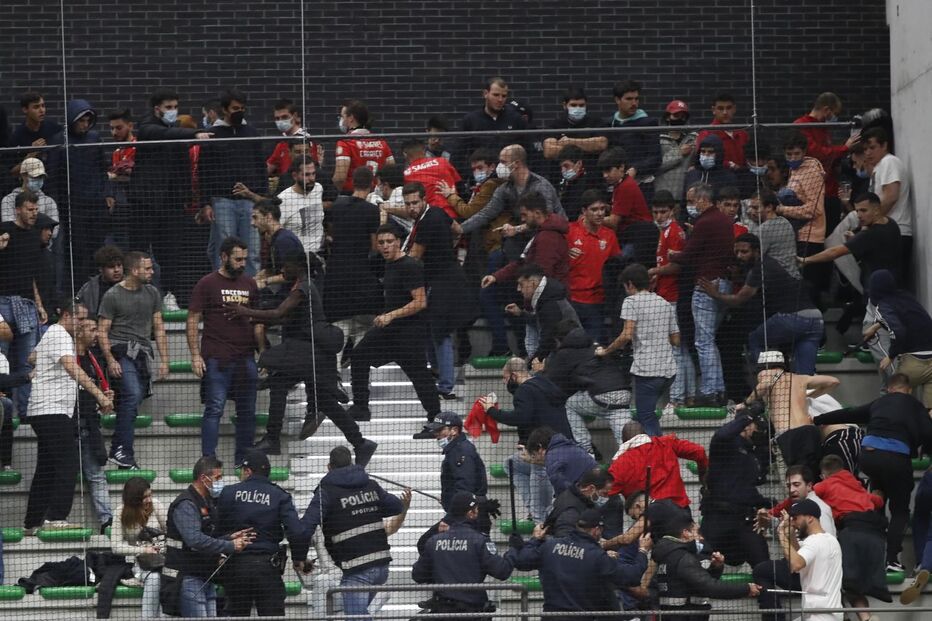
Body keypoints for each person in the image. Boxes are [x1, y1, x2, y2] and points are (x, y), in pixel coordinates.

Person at [226, 253, 377, 465]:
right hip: (311, 355)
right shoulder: (301, 287)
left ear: (299, 266)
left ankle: (272, 436)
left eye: (286, 265)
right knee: (316, 398)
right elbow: (287, 317)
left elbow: (279, 313)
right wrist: (254, 315)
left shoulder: (303, 287)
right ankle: (361, 443)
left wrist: (244, 311)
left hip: (310, 354)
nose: (283, 271)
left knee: (271, 363)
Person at [811, 372, 932, 570]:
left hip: (868, 456)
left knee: (876, 504)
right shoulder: (914, 405)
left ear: (889, 389)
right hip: (895, 459)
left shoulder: (879, 402)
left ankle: (872, 560)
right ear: (908, 390)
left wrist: (817, 419)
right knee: (900, 511)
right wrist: (921, 447)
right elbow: (928, 433)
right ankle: (891, 560)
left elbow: (849, 413)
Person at [24, 300, 113, 533]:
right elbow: (73, 369)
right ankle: (56, 518)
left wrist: (42, 364)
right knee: (68, 463)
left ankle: (32, 523)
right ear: (66, 315)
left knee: (46, 467)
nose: (83, 324)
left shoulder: (53, 334)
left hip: (45, 411)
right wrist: (100, 397)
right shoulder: (61, 335)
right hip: (51, 410)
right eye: (80, 319)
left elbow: (31, 357)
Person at [346, 226, 441, 433]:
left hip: (409, 332)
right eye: (381, 242)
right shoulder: (389, 265)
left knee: (419, 376)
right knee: (359, 355)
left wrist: (391, 315)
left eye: (389, 241)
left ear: (399, 241)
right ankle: (361, 406)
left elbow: (420, 302)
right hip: (389, 331)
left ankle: (435, 421)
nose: (385, 246)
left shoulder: (411, 266)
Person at [293, 446, 405, 621]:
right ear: (351, 462)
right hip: (382, 567)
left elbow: (305, 527)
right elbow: (396, 506)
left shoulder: (325, 492)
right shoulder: (370, 484)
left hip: (357, 569)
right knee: (359, 615)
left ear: (329, 467)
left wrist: (299, 558)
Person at [649, 183, 734, 406]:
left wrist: (674, 255)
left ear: (703, 200)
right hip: (723, 283)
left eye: (694, 201)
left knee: (703, 342)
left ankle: (708, 392)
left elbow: (689, 256)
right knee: (709, 341)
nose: (693, 205)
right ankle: (718, 390)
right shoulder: (725, 220)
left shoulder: (705, 222)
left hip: (706, 284)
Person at [133, 89, 212, 309]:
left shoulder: (176, 132)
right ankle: (136, 295)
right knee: (140, 249)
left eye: (175, 107)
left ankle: (168, 295)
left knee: (171, 252)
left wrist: (187, 196)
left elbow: (184, 167)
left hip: (172, 202)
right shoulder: (148, 127)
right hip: (146, 201)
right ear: (157, 109)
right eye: (168, 107)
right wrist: (193, 134)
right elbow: (159, 133)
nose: (173, 111)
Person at [187, 236, 261, 465]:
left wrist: (263, 353)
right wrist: (195, 355)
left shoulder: (250, 284)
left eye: (244, 259)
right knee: (214, 409)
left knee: (247, 412)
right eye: (237, 259)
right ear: (224, 256)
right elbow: (192, 319)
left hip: (246, 357)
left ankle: (244, 460)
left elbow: (258, 319)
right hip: (217, 357)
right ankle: (208, 460)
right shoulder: (207, 283)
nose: (242, 264)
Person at [701, 233, 822, 374]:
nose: (739, 256)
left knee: (755, 339)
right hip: (815, 320)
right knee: (805, 375)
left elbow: (739, 299)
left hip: (792, 318)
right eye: (737, 252)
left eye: (744, 252)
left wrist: (715, 294)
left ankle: (771, 378)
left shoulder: (760, 268)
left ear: (757, 251)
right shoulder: (770, 263)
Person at [401, 181, 475, 400]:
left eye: (415, 202)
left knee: (441, 333)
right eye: (408, 204)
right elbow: (458, 230)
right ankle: (436, 371)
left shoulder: (426, 223)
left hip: (443, 283)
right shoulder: (438, 212)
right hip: (449, 278)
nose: (411, 207)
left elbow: (414, 257)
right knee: (433, 330)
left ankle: (445, 385)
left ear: (424, 200)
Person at [215, 449, 307, 617]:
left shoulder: (228, 493)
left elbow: (218, 530)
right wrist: (298, 559)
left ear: (248, 471)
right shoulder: (279, 495)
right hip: (268, 569)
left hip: (236, 568)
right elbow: (297, 531)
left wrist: (223, 549)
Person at [512, 509, 650, 620]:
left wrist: (535, 540)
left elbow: (521, 561)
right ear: (596, 530)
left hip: (550, 617)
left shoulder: (549, 546)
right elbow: (631, 577)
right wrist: (643, 551)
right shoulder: (597, 556)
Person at [98, 251, 168, 469]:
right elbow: (102, 331)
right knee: (133, 393)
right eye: (147, 268)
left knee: (132, 398)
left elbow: (159, 327)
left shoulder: (153, 293)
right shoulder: (112, 295)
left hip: (142, 354)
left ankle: (119, 450)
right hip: (120, 351)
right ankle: (123, 451)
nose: (152, 271)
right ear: (135, 270)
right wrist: (110, 360)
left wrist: (165, 360)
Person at [166, 455, 254, 617]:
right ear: (203, 478)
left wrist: (229, 538)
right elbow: (194, 540)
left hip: (206, 576)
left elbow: (207, 538)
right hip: (189, 578)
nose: (220, 481)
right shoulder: (186, 504)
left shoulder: (208, 502)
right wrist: (230, 546)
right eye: (218, 477)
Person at [598, 264, 678, 436]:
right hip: (669, 373)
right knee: (648, 414)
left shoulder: (631, 302)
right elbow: (676, 340)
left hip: (647, 372)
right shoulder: (664, 302)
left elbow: (626, 335)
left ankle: (657, 455)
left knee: (645, 416)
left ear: (630, 284)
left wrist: (606, 351)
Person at [412, 491, 515, 618]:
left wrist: (441, 572)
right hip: (473, 612)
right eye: (476, 509)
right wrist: (514, 549)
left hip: (443, 612)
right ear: (470, 513)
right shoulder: (479, 540)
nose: (478, 512)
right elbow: (502, 571)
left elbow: (418, 575)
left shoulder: (434, 541)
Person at [199, 89, 266, 275]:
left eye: (242, 108)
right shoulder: (213, 134)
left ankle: (252, 291)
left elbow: (260, 166)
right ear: (225, 109)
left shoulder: (252, 133)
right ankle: (221, 289)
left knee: (251, 250)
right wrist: (205, 203)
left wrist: (261, 198)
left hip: (249, 200)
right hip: (222, 200)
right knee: (223, 248)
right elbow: (204, 171)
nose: (240, 111)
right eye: (235, 108)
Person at [540, 321, 631, 454]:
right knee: (627, 444)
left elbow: (549, 381)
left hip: (600, 396)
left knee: (568, 404)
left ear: (559, 339)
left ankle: (586, 450)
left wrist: (540, 371)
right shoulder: (596, 345)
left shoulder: (565, 352)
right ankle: (631, 457)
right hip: (623, 394)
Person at [322, 167, 382, 361]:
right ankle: (361, 381)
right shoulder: (372, 211)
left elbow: (330, 233)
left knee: (339, 331)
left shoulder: (337, 206)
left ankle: (335, 381)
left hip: (336, 276)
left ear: (353, 181)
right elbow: (375, 246)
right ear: (372, 183)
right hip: (362, 277)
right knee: (363, 336)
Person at [651, 513, 761, 620]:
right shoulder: (683, 558)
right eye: (697, 532)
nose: (701, 537)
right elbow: (709, 587)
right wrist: (745, 588)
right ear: (685, 533)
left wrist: (715, 568)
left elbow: (691, 585)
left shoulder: (669, 554)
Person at [700, 412, 770, 568]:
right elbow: (721, 435)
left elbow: (747, 488)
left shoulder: (753, 454)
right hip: (717, 518)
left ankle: (767, 592)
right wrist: (748, 415)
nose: (757, 430)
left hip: (744, 520)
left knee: (763, 565)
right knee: (703, 564)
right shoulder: (726, 443)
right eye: (755, 426)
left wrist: (766, 504)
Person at [0, 190, 48, 416]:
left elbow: (32, 275)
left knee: (27, 363)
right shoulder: (5, 230)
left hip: (26, 305)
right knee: (1, 359)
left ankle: (27, 413)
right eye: (30, 209)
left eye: (36, 210)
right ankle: (4, 410)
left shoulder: (34, 236)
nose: (34, 214)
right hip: (2, 304)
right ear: (18, 209)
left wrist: (39, 304)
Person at [74, 311, 114, 534]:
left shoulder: (92, 358)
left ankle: (106, 521)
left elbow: (98, 388)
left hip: (91, 423)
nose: (97, 334)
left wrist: (105, 397)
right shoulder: (68, 357)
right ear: (78, 333)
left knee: (97, 474)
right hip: (71, 424)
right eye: (91, 329)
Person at [867, 269, 932, 406]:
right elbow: (908, 317)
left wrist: (890, 356)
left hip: (914, 362)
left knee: (892, 399)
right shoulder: (907, 297)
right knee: (930, 411)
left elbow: (899, 331)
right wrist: (876, 326)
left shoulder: (882, 305)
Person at [427, 412, 499, 535]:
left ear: (454, 430)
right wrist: (448, 499)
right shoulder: (458, 449)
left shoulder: (461, 451)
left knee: (426, 542)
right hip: (466, 513)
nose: (436, 435)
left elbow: (465, 487)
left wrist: (448, 519)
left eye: (439, 430)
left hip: (468, 516)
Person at [608, 421, 707, 507]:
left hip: (648, 519)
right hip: (679, 510)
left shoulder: (620, 463)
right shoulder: (667, 442)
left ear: (624, 442)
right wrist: (702, 476)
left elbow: (607, 490)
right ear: (645, 434)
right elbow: (699, 452)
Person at [565, 190, 621, 342]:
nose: (600, 214)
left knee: (594, 348)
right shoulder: (569, 232)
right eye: (594, 209)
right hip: (572, 301)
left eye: (602, 209)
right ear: (584, 211)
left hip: (597, 303)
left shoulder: (610, 236)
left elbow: (615, 268)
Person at [775, 499, 844, 621]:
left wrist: (781, 534)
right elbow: (799, 554)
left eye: (795, 518)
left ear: (810, 518)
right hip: (830, 614)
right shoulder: (830, 540)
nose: (793, 523)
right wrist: (790, 536)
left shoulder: (814, 542)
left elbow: (795, 564)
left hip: (819, 615)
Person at [111, 477, 168, 619]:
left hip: (163, 561)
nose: (149, 499)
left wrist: (161, 546)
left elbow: (172, 531)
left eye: (150, 494)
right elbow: (116, 547)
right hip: (139, 563)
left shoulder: (156, 505)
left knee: (161, 577)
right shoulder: (120, 513)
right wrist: (143, 550)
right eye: (145, 497)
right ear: (134, 500)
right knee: (155, 578)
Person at [503, 264, 578, 364]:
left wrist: (533, 362)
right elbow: (544, 322)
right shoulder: (548, 295)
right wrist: (521, 313)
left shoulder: (549, 303)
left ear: (533, 283)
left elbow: (548, 338)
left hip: (569, 360)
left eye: (521, 284)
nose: (518, 289)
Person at [863, 126, 912, 274]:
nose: (868, 153)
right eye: (865, 149)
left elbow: (890, 197)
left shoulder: (889, 162)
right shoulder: (880, 166)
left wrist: (869, 222)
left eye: (872, 147)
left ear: (884, 145)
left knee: (885, 284)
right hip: (889, 232)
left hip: (894, 231)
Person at [457, 77, 529, 171]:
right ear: (485, 94)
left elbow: (528, 150)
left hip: (510, 176)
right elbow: (459, 154)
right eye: (496, 95)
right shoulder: (470, 120)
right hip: (479, 177)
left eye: (504, 96)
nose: (500, 99)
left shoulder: (516, 119)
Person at [522, 425, 597, 508]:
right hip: (598, 491)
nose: (536, 459)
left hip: (590, 500)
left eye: (534, 455)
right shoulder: (571, 446)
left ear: (540, 447)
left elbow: (563, 492)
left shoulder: (551, 458)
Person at [332, 99, 395, 192]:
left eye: (342, 116)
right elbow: (392, 170)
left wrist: (339, 192)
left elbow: (340, 178)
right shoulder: (381, 143)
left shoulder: (346, 142)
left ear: (351, 118)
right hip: (375, 194)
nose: (341, 120)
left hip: (352, 195)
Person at [400, 138, 462, 219]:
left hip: (430, 217)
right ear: (424, 150)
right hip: (452, 213)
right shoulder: (443, 161)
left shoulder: (407, 174)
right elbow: (459, 183)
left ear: (405, 154)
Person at [275, 157, 325, 256]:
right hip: (296, 259)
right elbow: (275, 232)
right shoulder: (283, 199)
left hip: (318, 255)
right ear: (295, 176)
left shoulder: (318, 189)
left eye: (313, 174)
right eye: (306, 175)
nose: (311, 179)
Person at [544, 467, 613, 537]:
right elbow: (565, 538)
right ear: (591, 488)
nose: (606, 498)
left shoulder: (576, 496)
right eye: (604, 493)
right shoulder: (571, 509)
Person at [598, 146, 650, 236]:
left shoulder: (625, 186)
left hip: (640, 236)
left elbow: (613, 221)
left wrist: (590, 218)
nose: (605, 175)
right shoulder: (620, 184)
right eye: (603, 172)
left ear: (621, 167)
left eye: (608, 170)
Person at [265, 98, 323, 179]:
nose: (280, 121)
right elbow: (268, 168)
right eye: (277, 118)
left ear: (295, 116)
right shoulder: (281, 143)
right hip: (286, 186)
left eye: (284, 117)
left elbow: (314, 168)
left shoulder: (306, 141)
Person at [750, 189, 800, 277]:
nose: (751, 211)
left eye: (756, 208)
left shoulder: (764, 229)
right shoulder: (785, 222)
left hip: (779, 280)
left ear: (769, 207)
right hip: (793, 277)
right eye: (751, 207)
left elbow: (753, 258)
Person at [655, 100, 697, 202]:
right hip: (664, 195)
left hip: (686, 195)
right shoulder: (659, 139)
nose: (680, 119)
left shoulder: (692, 138)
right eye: (676, 115)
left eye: (683, 116)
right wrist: (679, 153)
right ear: (667, 117)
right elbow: (656, 165)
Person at [695, 93, 749, 170]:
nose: (725, 112)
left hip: (743, 177)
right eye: (720, 108)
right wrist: (729, 165)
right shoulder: (706, 134)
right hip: (718, 179)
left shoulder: (743, 134)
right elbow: (702, 159)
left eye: (728, 108)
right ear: (713, 110)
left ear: (734, 109)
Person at [76, 245, 124, 316]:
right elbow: (77, 305)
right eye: (111, 267)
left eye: (119, 265)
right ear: (101, 269)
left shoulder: (130, 285)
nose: (117, 270)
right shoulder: (89, 288)